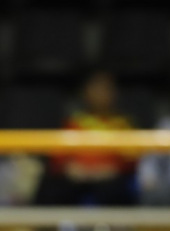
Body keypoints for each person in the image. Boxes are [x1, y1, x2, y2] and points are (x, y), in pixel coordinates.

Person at [37, 70, 137, 206]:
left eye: (105, 88)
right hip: (78, 177)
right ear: (85, 92)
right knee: (51, 186)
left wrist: (114, 169)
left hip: (110, 178)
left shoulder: (123, 124)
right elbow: (58, 158)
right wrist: (69, 168)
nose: (100, 93)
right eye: (95, 88)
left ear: (114, 93)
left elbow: (132, 160)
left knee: (118, 189)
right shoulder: (73, 123)